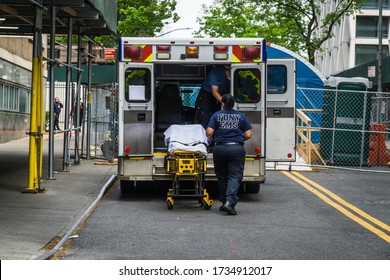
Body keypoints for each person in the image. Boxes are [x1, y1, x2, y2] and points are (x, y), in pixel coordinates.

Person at [206, 94, 252, 215]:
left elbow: (209, 132)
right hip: (236, 148)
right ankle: (230, 202)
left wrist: (211, 140)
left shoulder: (216, 115)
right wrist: (239, 139)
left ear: (222, 103)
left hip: (219, 148)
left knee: (222, 176)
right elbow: (248, 134)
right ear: (233, 104)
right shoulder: (241, 116)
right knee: (234, 176)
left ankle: (224, 201)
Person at [197, 65, 231, 129]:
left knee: (217, 113)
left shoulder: (231, 75)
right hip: (207, 93)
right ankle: (204, 131)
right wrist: (223, 102)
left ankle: (216, 132)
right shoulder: (215, 73)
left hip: (221, 92)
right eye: (230, 74)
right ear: (227, 71)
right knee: (205, 113)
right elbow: (214, 92)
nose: (231, 76)